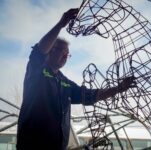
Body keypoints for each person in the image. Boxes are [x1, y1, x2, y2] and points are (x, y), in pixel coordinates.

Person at [16, 8, 135, 150]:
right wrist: (61, 24)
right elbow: (39, 51)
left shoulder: (64, 82)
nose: (66, 56)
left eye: (68, 53)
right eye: (61, 51)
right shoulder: (37, 69)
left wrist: (119, 88)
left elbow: (90, 96)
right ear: (50, 51)